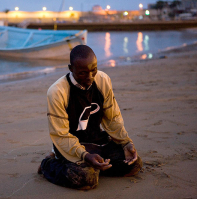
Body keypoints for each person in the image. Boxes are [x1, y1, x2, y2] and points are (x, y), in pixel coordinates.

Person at [38, 45, 142, 190]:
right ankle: (48, 164)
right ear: (70, 68)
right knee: (87, 180)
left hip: (97, 142)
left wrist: (125, 142)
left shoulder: (103, 80)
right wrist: (85, 156)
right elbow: (60, 135)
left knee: (134, 164)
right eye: (82, 73)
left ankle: (95, 167)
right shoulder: (57, 92)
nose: (90, 78)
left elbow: (113, 118)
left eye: (94, 70)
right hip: (70, 147)